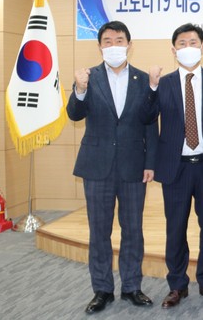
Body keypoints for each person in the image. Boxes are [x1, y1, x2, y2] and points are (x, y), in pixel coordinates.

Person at [67, 21, 158, 314]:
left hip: (134, 166)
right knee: (99, 231)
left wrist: (150, 163)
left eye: (120, 40)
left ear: (129, 45)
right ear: (100, 46)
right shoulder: (87, 78)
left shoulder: (143, 80)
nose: (114, 45)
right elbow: (74, 114)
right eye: (108, 41)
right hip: (97, 167)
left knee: (133, 230)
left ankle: (132, 286)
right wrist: (80, 90)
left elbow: (150, 124)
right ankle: (102, 289)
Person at [142, 23, 203, 309]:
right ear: (173, 50)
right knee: (175, 229)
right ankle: (177, 285)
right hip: (175, 168)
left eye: (193, 42)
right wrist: (151, 87)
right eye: (182, 43)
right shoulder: (163, 83)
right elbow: (146, 117)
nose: (188, 48)